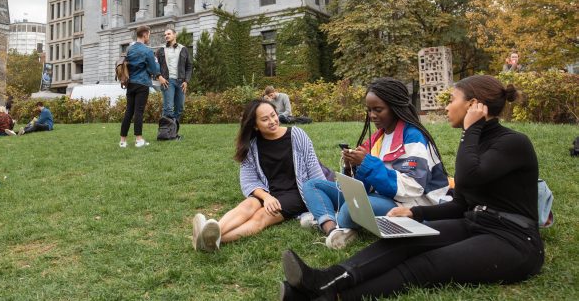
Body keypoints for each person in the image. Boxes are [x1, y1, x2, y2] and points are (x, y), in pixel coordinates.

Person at [279, 75, 543, 301]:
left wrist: (470, 130)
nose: (447, 106)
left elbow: (470, 175)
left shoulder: (513, 143)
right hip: (473, 223)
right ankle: (325, 279)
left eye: (452, 99)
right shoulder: (475, 143)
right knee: (405, 241)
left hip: (514, 240)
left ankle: (328, 296)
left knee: (425, 265)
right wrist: (413, 215)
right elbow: (461, 202)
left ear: (473, 105)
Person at [301, 78, 450, 249]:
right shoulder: (379, 136)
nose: (372, 115)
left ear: (395, 108)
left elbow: (412, 187)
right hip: (382, 196)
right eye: (369, 110)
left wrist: (366, 162)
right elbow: (367, 185)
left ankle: (326, 220)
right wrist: (352, 166)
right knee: (313, 186)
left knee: (351, 208)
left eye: (378, 110)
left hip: (411, 204)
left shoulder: (413, 136)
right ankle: (333, 228)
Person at [191, 99, 328, 252]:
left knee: (261, 217)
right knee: (247, 205)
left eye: (273, 115)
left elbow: (315, 172)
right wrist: (266, 197)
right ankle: (209, 233)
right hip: (268, 192)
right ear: (255, 125)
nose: (272, 121)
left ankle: (213, 240)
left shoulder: (297, 135)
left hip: (296, 193)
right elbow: (248, 181)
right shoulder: (252, 146)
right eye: (265, 119)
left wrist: (325, 199)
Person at [119, 25, 167, 148]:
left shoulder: (130, 49)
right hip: (142, 83)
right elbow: (153, 68)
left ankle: (122, 141)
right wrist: (157, 68)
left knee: (129, 111)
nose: (148, 38)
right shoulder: (147, 51)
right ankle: (139, 140)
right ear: (145, 34)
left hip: (130, 84)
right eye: (149, 35)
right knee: (139, 112)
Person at [154, 28, 193, 123]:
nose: (166, 36)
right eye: (165, 34)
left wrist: (186, 81)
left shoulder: (183, 49)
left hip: (181, 82)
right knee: (168, 108)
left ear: (175, 35)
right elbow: (154, 66)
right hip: (167, 81)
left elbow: (189, 67)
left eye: (169, 34)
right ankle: (165, 131)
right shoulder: (160, 50)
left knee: (179, 108)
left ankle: (173, 130)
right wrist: (159, 77)